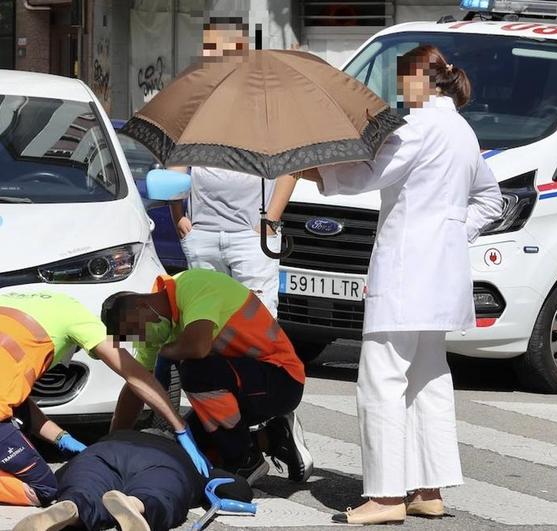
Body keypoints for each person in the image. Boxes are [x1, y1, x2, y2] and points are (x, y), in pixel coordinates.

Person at [299, 45, 503, 524]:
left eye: (400, 82)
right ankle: (427, 490)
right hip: (442, 273)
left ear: (420, 80)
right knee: (427, 378)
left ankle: (387, 497)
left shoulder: (419, 125)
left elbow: (369, 174)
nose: (395, 92)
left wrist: (309, 170)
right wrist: (454, 229)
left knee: (382, 379)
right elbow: (490, 199)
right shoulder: (461, 129)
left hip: (407, 270)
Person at [101, 269, 313, 485]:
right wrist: (112, 441)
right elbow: (138, 383)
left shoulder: (195, 285)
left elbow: (198, 347)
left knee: (196, 371)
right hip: (244, 383)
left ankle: (244, 460)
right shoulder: (152, 321)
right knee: (190, 444)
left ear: (142, 307)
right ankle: (274, 438)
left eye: (139, 333)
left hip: (281, 380)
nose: (144, 341)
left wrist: (164, 351)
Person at [0, 292, 208, 508]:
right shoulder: (77, 317)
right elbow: (135, 375)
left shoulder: (11, 300)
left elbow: (18, 404)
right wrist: (180, 426)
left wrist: (61, 437)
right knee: (44, 490)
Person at [171, 15, 297, 317]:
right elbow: (176, 160)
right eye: (209, 50)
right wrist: (177, 216)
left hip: (250, 236)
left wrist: (270, 222)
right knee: (205, 323)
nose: (214, 57)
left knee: (256, 323)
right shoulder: (194, 102)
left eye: (222, 50)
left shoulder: (268, 104)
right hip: (204, 234)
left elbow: (292, 166)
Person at [12, 429, 253, 531]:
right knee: (158, 492)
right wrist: (211, 474)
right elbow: (238, 489)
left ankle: (73, 506)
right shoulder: (183, 453)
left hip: (103, 450)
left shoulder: (118, 433)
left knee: (85, 485)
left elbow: (58, 478)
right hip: (164, 461)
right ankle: (136, 505)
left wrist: (67, 485)